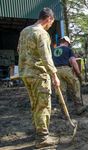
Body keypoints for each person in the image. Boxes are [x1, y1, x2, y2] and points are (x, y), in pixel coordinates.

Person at [17, 8, 60, 148]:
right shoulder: (42, 33)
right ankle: (42, 139)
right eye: (51, 23)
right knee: (43, 106)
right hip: (39, 75)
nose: (50, 26)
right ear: (49, 19)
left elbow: (19, 50)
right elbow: (46, 57)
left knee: (35, 104)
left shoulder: (25, 31)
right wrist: (54, 75)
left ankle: (38, 131)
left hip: (25, 74)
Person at [52, 36, 86, 115]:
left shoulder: (53, 50)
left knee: (62, 91)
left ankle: (64, 113)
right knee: (76, 85)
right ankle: (79, 107)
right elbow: (73, 62)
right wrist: (79, 74)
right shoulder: (68, 49)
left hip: (56, 71)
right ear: (67, 42)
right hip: (66, 69)